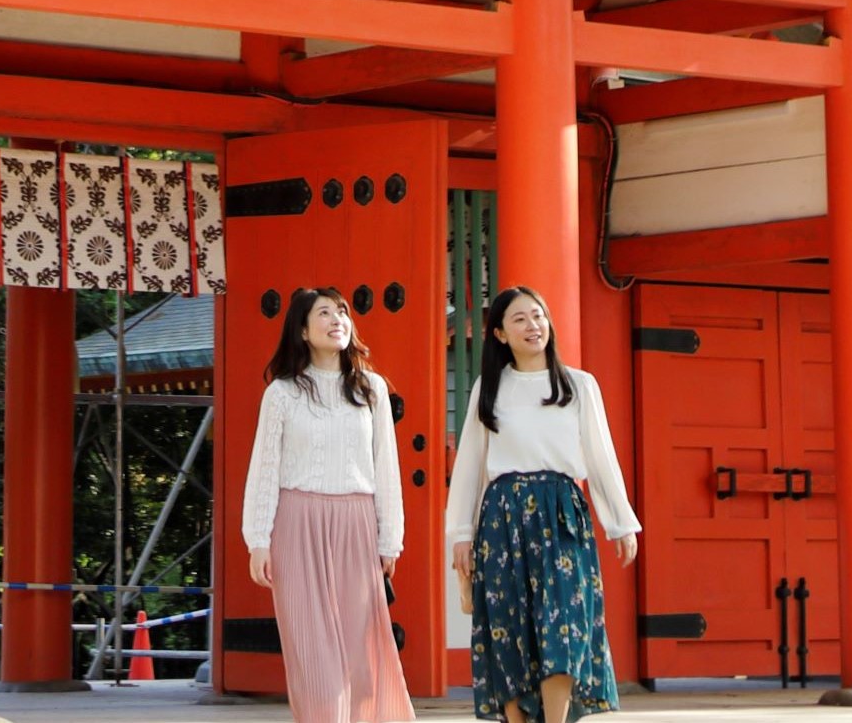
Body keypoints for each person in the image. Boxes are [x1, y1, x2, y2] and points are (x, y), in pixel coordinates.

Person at [445, 286, 636, 723]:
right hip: (502, 516)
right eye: (520, 319)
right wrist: (461, 534)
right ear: (499, 334)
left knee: (564, 624)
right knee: (506, 626)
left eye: (538, 316)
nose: (533, 326)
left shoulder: (578, 385)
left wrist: (620, 522)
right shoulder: (487, 389)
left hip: (562, 513)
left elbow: (600, 456)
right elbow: (471, 465)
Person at [241, 287, 412, 723]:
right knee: (313, 655)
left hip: (356, 522)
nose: (338, 319)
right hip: (296, 523)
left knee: (360, 655)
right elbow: (265, 469)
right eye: (324, 313)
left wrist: (390, 537)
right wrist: (258, 539)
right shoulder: (281, 394)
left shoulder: (371, 388)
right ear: (302, 328)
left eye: (342, 312)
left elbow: (385, 468)